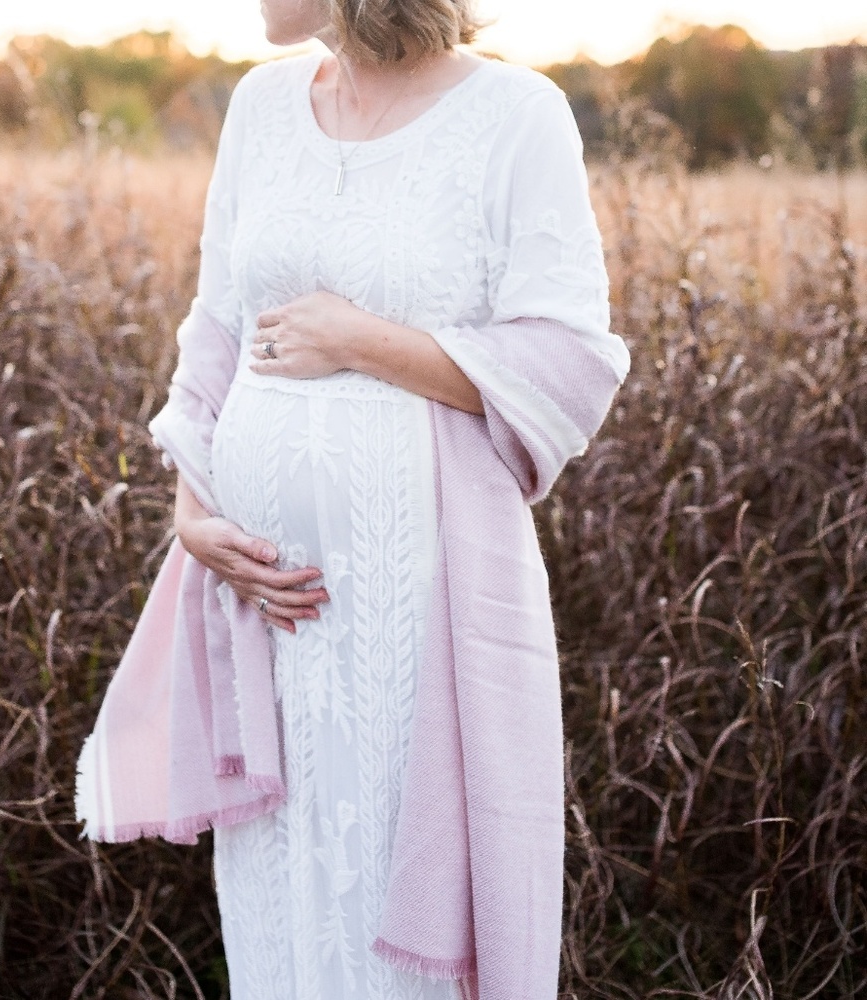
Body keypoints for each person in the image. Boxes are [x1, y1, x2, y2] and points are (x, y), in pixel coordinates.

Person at [76, 1, 631, 998]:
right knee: (285, 908)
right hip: (268, 621)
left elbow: (569, 356)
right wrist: (189, 511)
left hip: (416, 616)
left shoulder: (518, 114)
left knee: (392, 905)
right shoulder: (259, 106)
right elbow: (214, 330)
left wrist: (359, 340)